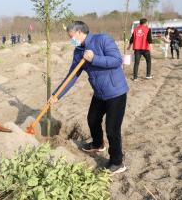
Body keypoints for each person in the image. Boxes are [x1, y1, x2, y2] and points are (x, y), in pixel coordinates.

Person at [49, 21, 129, 175]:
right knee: (92, 119)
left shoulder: (103, 40)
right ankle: (98, 144)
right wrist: (56, 95)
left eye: (71, 36)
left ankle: (117, 162)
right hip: (99, 93)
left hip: (116, 92)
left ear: (79, 32)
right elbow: (71, 76)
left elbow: (117, 61)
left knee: (112, 129)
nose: (70, 40)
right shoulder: (78, 51)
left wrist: (94, 58)